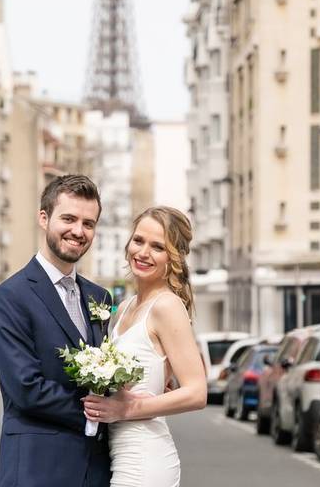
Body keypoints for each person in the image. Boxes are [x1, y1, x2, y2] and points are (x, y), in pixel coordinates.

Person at [0, 175, 113, 487]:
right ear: (44, 219)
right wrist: (99, 414)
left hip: (95, 471)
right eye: (68, 219)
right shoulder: (11, 296)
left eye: (88, 223)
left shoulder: (100, 298)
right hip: (37, 469)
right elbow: (25, 388)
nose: (78, 231)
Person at [83, 206, 207, 487]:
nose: (143, 252)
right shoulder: (126, 307)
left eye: (158, 247)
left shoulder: (167, 306)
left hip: (145, 457)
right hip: (120, 452)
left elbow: (197, 393)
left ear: (173, 258)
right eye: (138, 240)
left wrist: (126, 409)